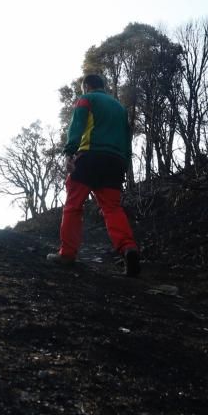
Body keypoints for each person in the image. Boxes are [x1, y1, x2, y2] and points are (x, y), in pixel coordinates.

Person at [47, 73, 141, 277]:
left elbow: (77, 126)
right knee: (112, 208)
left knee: (73, 205)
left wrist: (70, 152)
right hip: (115, 162)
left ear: (87, 86)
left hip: (89, 157)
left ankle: (67, 254)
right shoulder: (120, 108)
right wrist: (124, 162)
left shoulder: (87, 99)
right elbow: (127, 137)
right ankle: (128, 248)